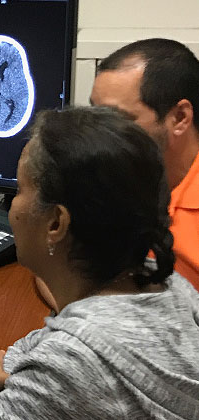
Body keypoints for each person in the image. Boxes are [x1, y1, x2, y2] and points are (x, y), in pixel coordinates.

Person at [0, 107, 199, 419]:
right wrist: (27, 372)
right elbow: (46, 341)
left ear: (56, 223)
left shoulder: (72, 363)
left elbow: (61, 359)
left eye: (19, 190)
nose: (12, 208)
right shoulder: (168, 286)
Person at [90, 38, 199, 288]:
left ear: (180, 118)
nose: (97, 133)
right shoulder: (110, 172)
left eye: (116, 119)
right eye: (95, 114)